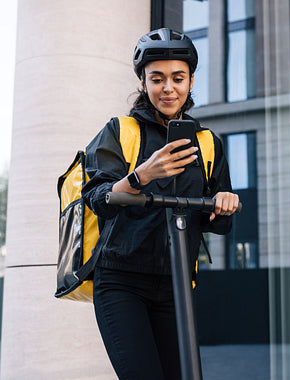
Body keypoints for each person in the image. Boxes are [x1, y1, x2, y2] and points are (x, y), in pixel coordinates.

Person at [81, 28, 239, 380]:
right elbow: (97, 199)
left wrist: (224, 203)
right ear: (143, 81)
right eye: (157, 78)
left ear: (191, 80)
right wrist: (141, 176)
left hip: (176, 282)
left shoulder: (208, 143)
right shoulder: (121, 132)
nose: (169, 88)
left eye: (178, 78)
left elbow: (219, 223)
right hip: (121, 281)